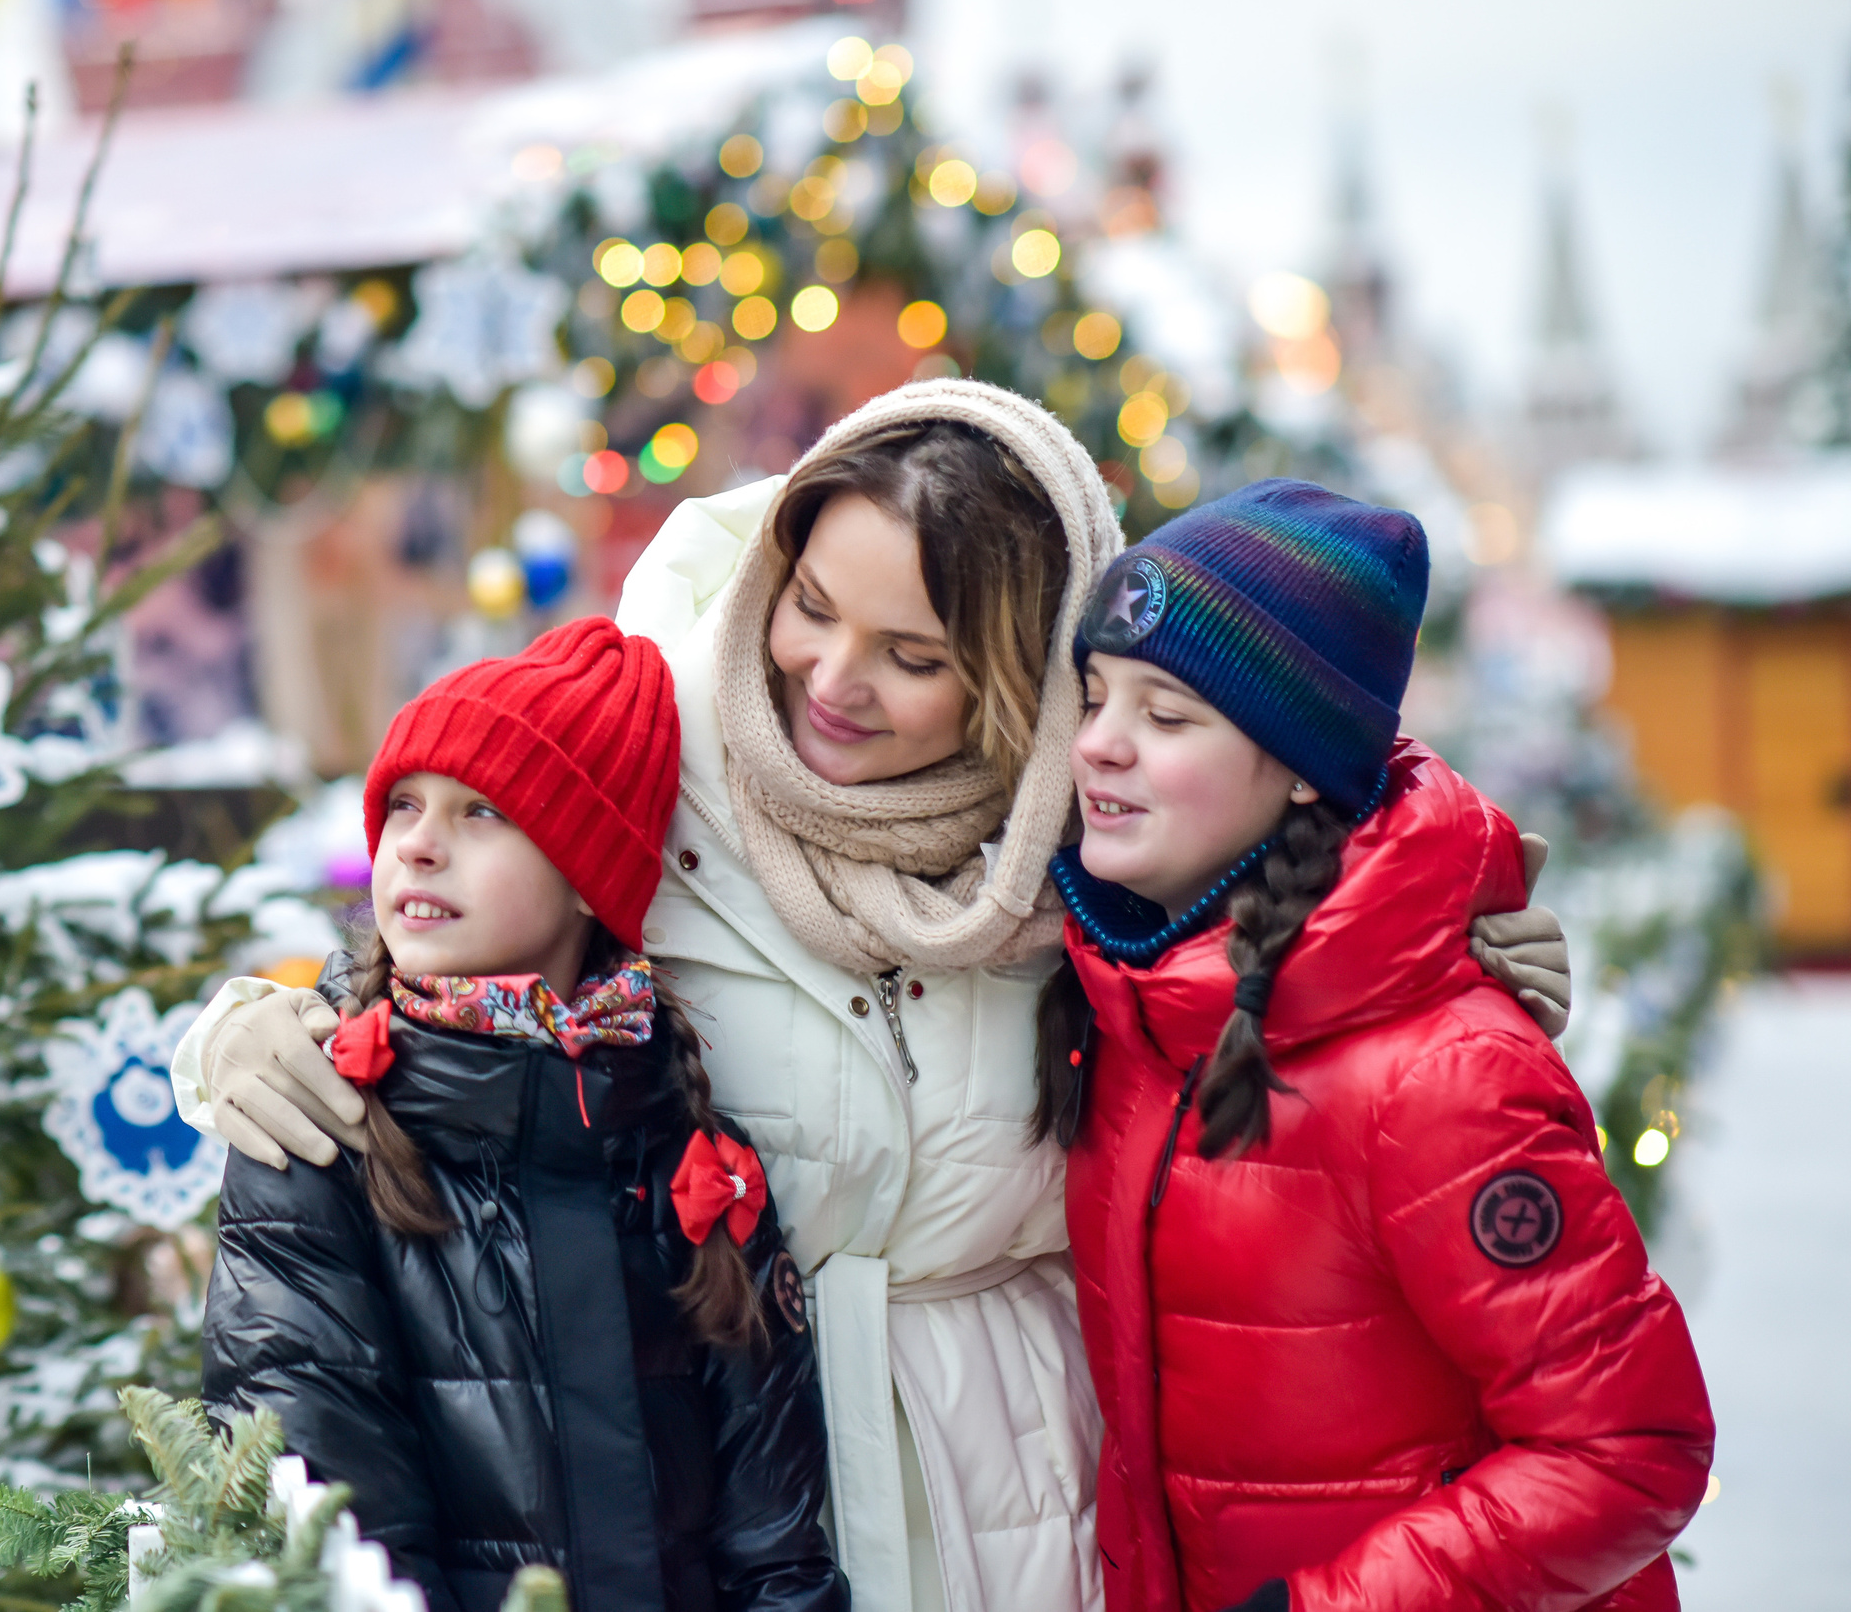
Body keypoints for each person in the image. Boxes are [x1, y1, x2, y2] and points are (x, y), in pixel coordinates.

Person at [176, 380, 1574, 1612]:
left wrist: (1437, 942)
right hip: (749, 1502)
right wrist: (259, 1024)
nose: (833, 681)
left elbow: (1310, 833)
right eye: (813, 608)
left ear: (1022, 679)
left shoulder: (1094, 830)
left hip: (1033, 1497)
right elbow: (454, 935)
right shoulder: (652, 766)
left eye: (915, 657)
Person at [1038, 481, 1712, 1612]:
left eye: (1167, 717)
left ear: (1304, 764)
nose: (1098, 745)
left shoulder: (1441, 1077)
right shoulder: (1128, 1005)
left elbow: (1630, 1449)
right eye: (1095, 697)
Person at [200, 617, 847, 1612]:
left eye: (482, 811)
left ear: (588, 876)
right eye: (404, 804)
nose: (418, 844)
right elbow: (329, 1532)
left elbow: (778, 1548)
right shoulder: (318, 1129)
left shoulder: (694, 1163)